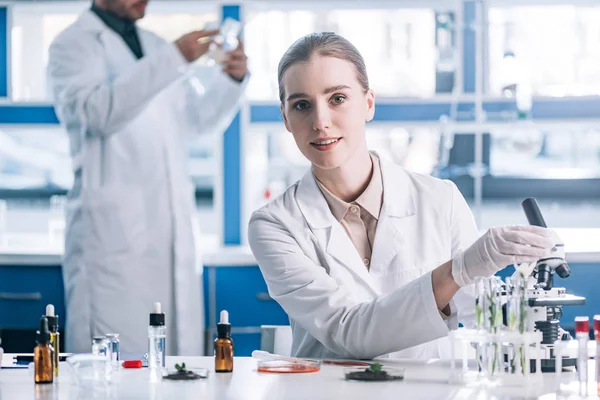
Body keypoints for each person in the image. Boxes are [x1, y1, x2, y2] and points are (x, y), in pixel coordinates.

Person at [248, 32, 554, 360]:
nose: (321, 122)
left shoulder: (441, 200)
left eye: (337, 98)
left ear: (368, 103)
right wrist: (458, 270)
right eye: (302, 105)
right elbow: (345, 329)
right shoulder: (275, 225)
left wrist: (530, 310)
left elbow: (483, 319)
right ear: (285, 119)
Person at [47, 0, 248, 355]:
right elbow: (96, 114)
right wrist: (174, 58)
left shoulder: (155, 45)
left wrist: (231, 81)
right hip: (112, 237)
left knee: (176, 367)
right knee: (115, 366)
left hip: (168, 226)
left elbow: (195, 123)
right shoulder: (72, 45)